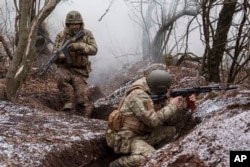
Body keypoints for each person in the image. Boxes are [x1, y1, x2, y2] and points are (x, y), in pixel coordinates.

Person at [106, 69, 197, 167]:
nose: (168, 90)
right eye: (167, 88)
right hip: (127, 138)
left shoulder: (155, 91)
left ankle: (156, 155)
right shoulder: (137, 95)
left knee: (170, 131)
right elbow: (153, 122)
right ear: (160, 87)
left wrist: (183, 107)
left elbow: (171, 121)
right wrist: (172, 105)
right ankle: (116, 164)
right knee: (149, 158)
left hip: (143, 133)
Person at [52, 10, 97, 117]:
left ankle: (82, 115)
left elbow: (94, 49)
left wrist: (79, 46)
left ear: (81, 24)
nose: (75, 26)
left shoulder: (87, 34)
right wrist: (60, 55)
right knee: (60, 77)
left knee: (81, 99)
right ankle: (68, 101)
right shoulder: (61, 35)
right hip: (65, 68)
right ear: (68, 24)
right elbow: (54, 51)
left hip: (80, 70)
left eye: (77, 24)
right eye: (72, 24)